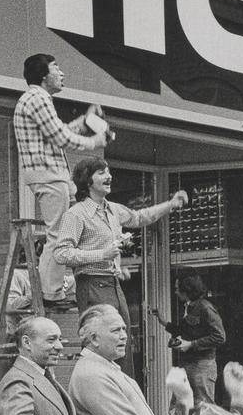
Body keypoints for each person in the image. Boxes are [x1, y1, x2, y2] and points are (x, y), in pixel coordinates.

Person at [53, 157, 188, 376]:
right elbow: (61, 253)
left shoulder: (113, 210)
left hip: (113, 284)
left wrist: (170, 204)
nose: (109, 176)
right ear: (87, 181)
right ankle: (96, 396)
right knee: (100, 344)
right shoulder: (75, 214)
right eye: (101, 173)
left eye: (109, 171)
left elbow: (139, 217)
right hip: (92, 284)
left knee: (121, 343)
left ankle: (124, 396)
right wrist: (102, 254)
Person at [14, 54, 110, 306]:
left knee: (61, 232)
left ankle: (51, 289)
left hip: (50, 175)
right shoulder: (37, 98)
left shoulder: (36, 99)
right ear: (44, 75)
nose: (62, 74)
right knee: (57, 234)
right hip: (48, 174)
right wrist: (95, 141)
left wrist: (85, 121)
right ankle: (50, 291)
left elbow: (60, 131)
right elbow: (62, 139)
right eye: (57, 68)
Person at [166, 274, 226, 404]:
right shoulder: (189, 306)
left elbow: (220, 337)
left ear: (186, 289)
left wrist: (191, 344)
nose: (175, 291)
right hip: (189, 364)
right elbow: (185, 331)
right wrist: (164, 322)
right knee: (181, 404)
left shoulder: (205, 307)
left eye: (177, 288)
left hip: (202, 365)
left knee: (202, 406)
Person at [5, 243, 76, 339]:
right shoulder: (18, 274)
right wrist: (34, 294)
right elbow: (11, 305)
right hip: (22, 334)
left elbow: (70, 283)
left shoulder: (47, 273)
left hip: (43, 331)